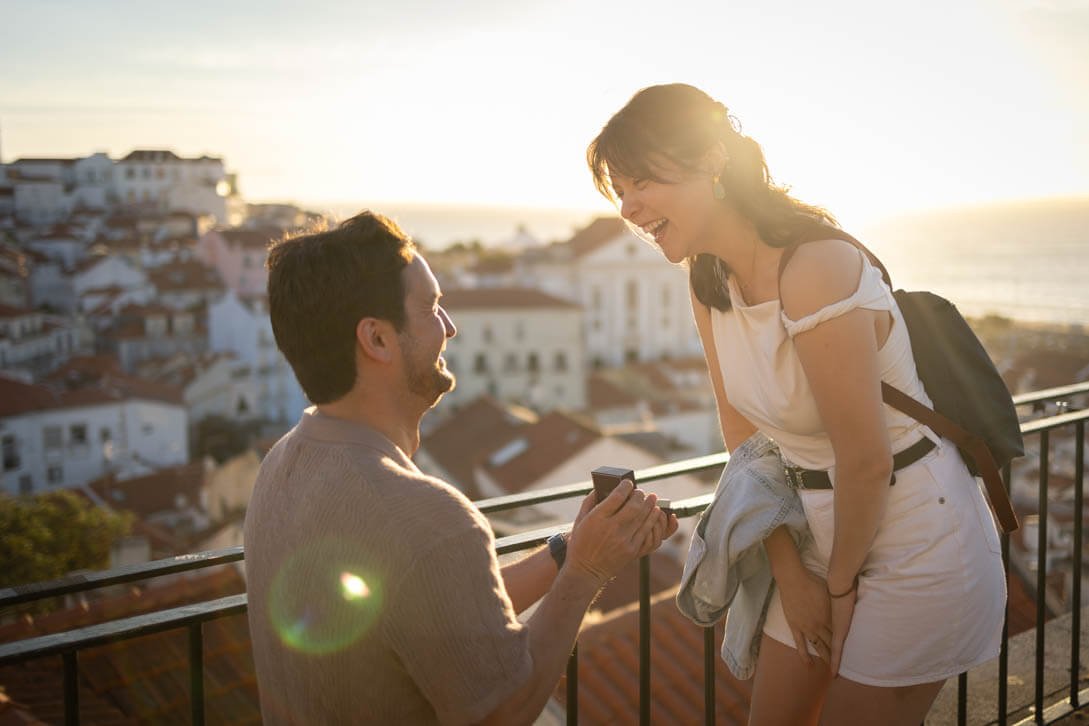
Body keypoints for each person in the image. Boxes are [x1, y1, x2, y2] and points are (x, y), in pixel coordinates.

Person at [587, 84, 1006, 725]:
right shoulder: (707, 280)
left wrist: (839, 590)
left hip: (916, 533)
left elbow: (864, 461)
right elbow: (747, 445)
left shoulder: (814, 268)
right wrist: (791, 572)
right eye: (620, 189)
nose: (629, 206)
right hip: (813, 528)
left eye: (643, 181)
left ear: (711, 162)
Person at [244, 211, 677, 725]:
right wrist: (587, 572)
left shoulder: (280, 468)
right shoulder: (423, 515)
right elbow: (502, 710)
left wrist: (569, 549)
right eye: (430, 307)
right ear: (377, 339)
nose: (450, 327)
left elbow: (444, 614)